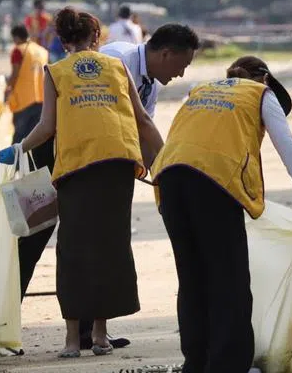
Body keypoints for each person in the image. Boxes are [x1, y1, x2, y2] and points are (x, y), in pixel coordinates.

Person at [13, 23, 200, 350]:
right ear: (165, 53)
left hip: (84, 155)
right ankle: (11, 320)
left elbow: (141, 131)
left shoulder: (147, 84)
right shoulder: (115, 58)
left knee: (86, 242)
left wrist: (165, 169)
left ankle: (86, 332)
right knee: (34, 235)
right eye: (181, 65)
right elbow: (126, 123)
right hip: (57, 150)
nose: (180, 74)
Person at [0, 8, 163, 358]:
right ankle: (100, 335)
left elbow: (47, 128)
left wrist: (16, 148)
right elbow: (143, 120)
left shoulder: (56, 72)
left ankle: (73, 341)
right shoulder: (116, 67)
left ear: (62, 40)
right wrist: (166, 163)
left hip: (75, 165)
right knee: (110, 246)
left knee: (73, 251)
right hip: (118, 164)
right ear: (97, 37)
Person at [152, 56, 292, 373]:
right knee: (229, 279)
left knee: (193, 277)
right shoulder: (261, 94)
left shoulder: (201, 91)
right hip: (213, 183)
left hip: (169, 180)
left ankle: (196, 368)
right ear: (266, 80)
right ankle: (228, 370)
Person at [6, 25, 50, 147]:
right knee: (33, 137)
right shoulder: (42, 51)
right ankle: (31, 165)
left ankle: (16, 164)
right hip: (41, 99)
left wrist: (8, 88)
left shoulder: (18, 50)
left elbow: (15, 74)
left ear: (16, 37)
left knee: (19, 136)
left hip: (23, 100)